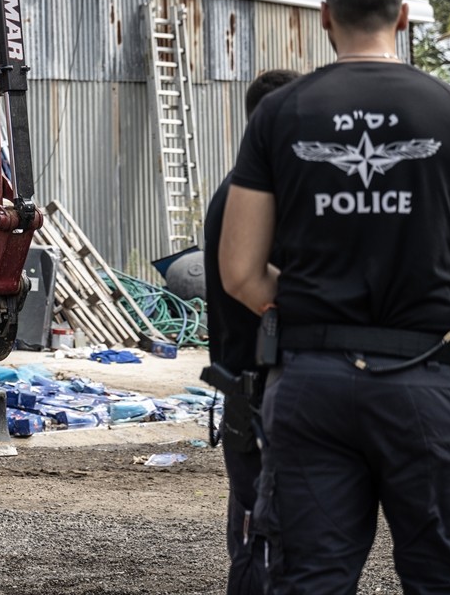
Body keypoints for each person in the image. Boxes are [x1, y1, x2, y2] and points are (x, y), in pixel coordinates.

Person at [220, 0, 450, 593]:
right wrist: (449, 311)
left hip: (312, 387)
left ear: (325, 16)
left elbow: (239, 272)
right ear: (401, 17)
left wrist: (308, 309)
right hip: (430, 379)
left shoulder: (280, 114)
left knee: (309, 579)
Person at [202, 68, 299, 595]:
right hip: (257, 390)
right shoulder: (254, 196)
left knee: (258, 525)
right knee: (260, 536)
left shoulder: (245, 188)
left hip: (252, 390)